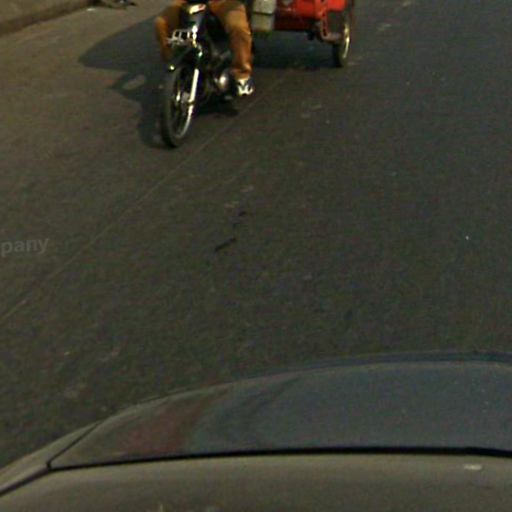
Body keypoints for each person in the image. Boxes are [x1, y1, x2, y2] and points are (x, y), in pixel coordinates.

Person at [155, 0, 255, 96]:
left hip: (223, 2)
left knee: (237, 27)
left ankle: (242, 74)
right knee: (161, 23)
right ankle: (173, 67)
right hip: (187, 2)